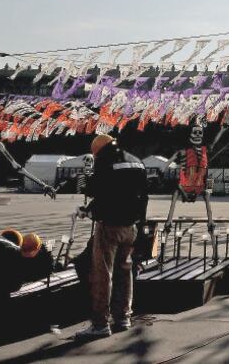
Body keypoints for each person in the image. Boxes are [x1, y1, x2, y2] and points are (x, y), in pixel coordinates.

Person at [76, 133, 149, 339]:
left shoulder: (106, 161)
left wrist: (89, 209)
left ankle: (100, 324)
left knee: (103, 273)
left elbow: (97, 191)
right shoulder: (137, 162)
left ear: (98, 151)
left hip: (109, 226)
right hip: (131, 226)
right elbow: (143, 195)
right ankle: (123, 317)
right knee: (125, 271)